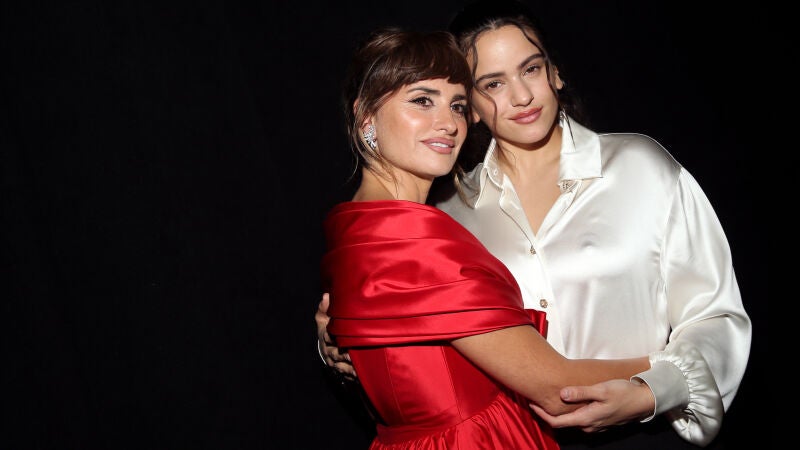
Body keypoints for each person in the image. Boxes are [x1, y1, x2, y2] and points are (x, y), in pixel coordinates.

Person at [316, 1, 752, 449]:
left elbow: (715, 315)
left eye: (530, 69)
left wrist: (658, 387)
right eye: (493, 83)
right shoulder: (447, 213)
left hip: (646, 430)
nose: (522, 96)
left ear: (555, 73)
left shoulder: (640, 168)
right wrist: (345, 342)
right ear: (476, 107)